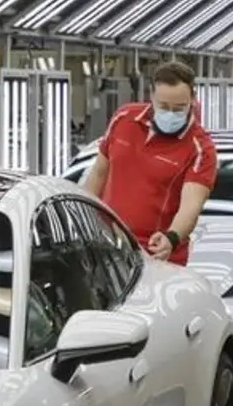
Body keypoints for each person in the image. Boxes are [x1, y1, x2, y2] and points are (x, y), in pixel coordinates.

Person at [82, 60, 217, 266]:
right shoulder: (123, 118)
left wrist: (172, 238)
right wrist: (82, 216)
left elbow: (191, 206)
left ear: (192, 99)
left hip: (156, 255)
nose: (170, 114)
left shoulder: (200, 149)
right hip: (107, 246)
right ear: (151, 95)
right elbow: (99, 173)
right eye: (164, 106)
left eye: (179, 108)